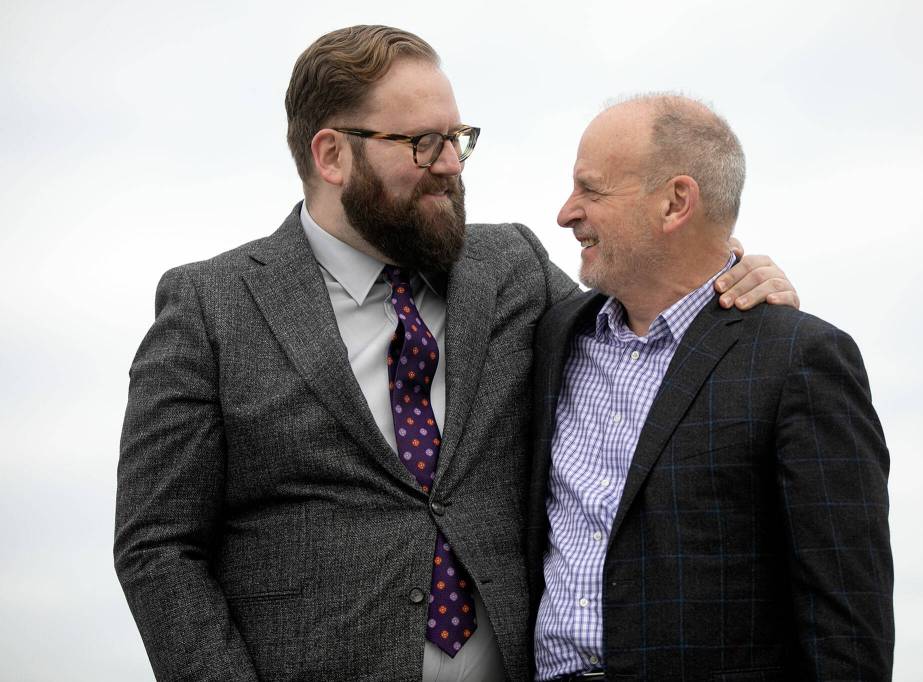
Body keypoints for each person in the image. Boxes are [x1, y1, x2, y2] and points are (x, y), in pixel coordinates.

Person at [114, 26, 796, 682]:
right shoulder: (209, 307)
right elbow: (158, 545)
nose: (448, 164)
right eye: (422, 143)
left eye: (457, 139)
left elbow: (639, 332)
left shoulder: (513, 266)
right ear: (331, 156)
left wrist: (728, 275)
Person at [526, 95, 894, 681]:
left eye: (591, 190)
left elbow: (847, 622)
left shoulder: (800, 358)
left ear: (675, 202)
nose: (567, 212)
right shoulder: (551, 337)